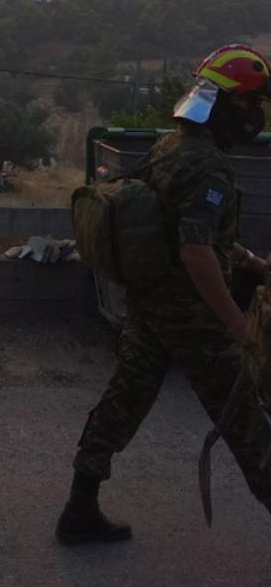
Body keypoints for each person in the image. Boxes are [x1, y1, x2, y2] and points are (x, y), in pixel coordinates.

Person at [56, 43, 271, 546]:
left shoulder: (173, 145)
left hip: (149, 302)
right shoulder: (209, 167)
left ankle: (79, 508)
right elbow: (196, 252)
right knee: (248, 428)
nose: (256, 113)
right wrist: (240, 330)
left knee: (124, 399)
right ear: (225, 105)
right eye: (250, 102)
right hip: (192, 318)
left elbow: (191, 228)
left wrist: (250, 263)